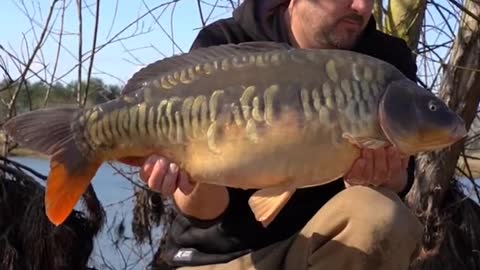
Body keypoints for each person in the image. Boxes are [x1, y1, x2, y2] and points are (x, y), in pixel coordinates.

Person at [138, 0, 424, 269]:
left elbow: (402, 178)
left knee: (381, 214)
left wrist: (383, 177)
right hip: (220, 258)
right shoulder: (225, 43)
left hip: (325, 250)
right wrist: (188, 172)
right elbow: (205, 212)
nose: (361, 7)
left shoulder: (386, 64)